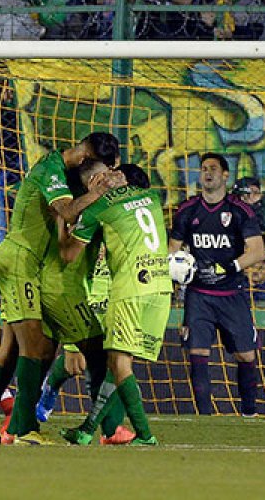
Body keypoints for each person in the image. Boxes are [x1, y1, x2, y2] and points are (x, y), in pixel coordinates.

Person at [0, 132, 121, 445]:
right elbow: (67, 211)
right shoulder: (50, 170)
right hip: (19, 261)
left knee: (11, 351)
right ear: (83, 161)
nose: (100, 180)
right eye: (99, 174)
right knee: (34, 348)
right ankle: (24, 430)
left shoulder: (64, 174)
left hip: (30, 266)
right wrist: (96, 194)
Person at [57, 161, 172, 446]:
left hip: (129, 289)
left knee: (121, 365)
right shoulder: (152, 198)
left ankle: (145, 435)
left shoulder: (101, 207)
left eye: (111, 173)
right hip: (161, 287)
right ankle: (87, 429)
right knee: (116, 364)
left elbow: (69, 256)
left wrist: (60, 222)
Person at [169, 153, 265, 416]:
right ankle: (205, 418)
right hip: (198, 295)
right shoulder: (187, 210)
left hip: (232, 293)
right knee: (198, 353)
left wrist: (228, 266)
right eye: (203, 169)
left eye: (212, 168)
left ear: (225, 175)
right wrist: (177, 270)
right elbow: (172, 250)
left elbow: (257, 251)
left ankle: (249, 412)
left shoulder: (240, 210)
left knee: (246, 355)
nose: (207, 173)